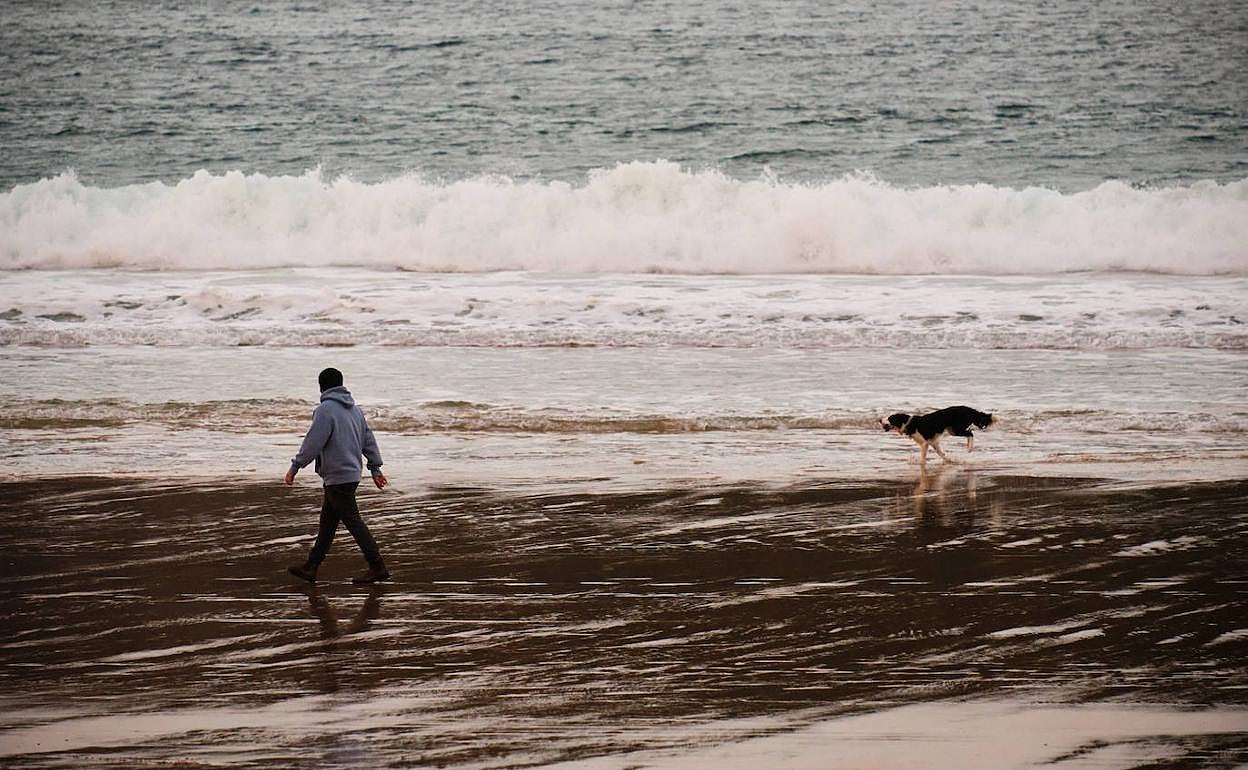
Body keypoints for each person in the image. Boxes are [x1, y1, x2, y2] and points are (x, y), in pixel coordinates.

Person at [285, 367, 391, 584]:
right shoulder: (355, 410)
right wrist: (375, 468)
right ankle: (312, 566)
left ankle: (377, 565)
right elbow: (368, 439)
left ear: (321, 387)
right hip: (350, 474)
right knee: (328, 523)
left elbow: (313, 442)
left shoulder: (325, 410)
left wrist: (295, 467)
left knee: (353, 522)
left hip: (337, 476)